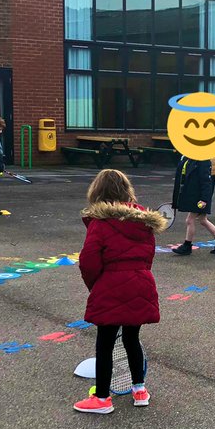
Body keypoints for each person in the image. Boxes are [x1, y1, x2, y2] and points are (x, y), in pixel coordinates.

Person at [74, 169, 167, 414]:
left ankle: (102, 398)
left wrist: (96, 286)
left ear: (98, 192)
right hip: (141, 282)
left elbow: (88, 261)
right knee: (131, 339)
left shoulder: (100, 223)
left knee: (104, 343)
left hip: (110, 286)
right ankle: (140, 390)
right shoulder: (143, 222)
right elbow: (148, 257)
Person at [170, 155, 215, 255]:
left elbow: (206, 181)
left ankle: (187, 246)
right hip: (194, 195)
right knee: (203, 220)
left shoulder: (203, 160)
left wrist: (204, 199)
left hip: (199, 197)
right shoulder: (187, 158)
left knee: (189, 220)